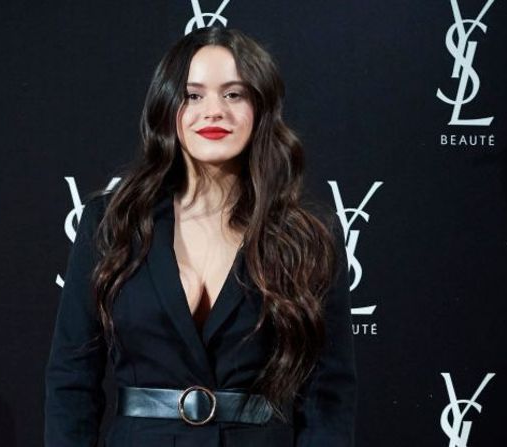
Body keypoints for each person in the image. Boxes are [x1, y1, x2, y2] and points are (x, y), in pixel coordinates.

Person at [44, 26, 356, 447]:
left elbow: (327, 399)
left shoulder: (304, 240)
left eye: (234, 94)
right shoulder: (112, 224)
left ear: (261, 108)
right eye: (193, 95)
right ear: (167, 106)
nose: (214, 112)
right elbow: (71, 379)